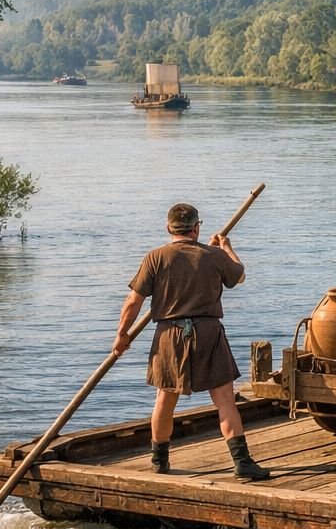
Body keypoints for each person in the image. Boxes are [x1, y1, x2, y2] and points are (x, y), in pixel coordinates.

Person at [113, 202, 269, 480]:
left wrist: (122, 334)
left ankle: (159, 462)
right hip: (208, 333)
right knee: (225, 400)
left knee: (164, 399)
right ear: (196, 228)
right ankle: (242, 463)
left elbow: (133, 301)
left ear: (168, 228)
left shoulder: (155, 257)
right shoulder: (213, 255)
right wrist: (226, 248)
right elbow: (239, 275)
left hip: (169, 336)